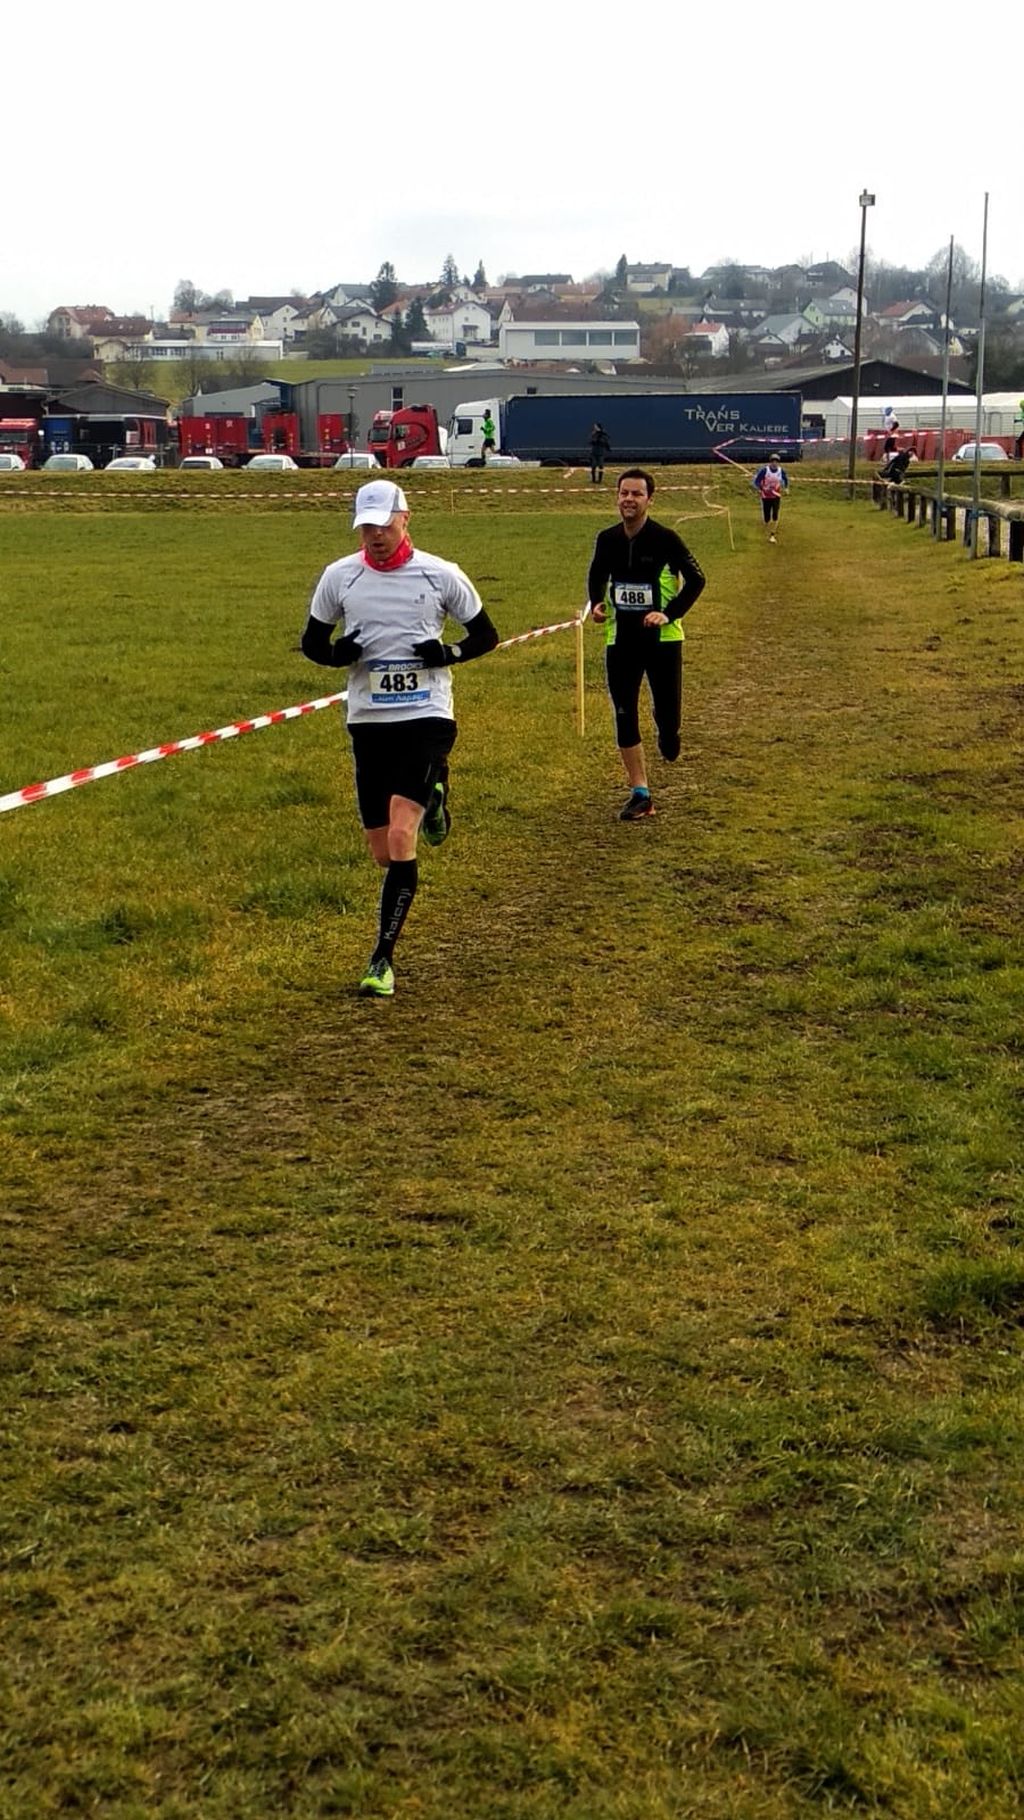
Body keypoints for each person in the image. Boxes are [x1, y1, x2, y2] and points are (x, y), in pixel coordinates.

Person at [301, 478, 499, 997]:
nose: (375, 537)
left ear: (405, 519)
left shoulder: (440, 573)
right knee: (383, 854)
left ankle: (381, 960)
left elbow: (486, 635)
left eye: (384, 526)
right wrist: (337, 655)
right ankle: (435, 797)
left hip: (426, 715)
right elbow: (312, 642)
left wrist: (449, 654)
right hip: (369, 720)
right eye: (366, 528)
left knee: (400, 837)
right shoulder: (339, 576)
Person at [587, 468, 706, 822]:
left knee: (667, 717)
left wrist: (668, 614)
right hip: (621, 639)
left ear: (650, 500)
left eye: (637, 494)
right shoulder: (607, 539)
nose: (629, 499)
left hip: (663, 641)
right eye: (624, 493)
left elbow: (697, 580)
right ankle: (641, 792)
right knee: (624, 712)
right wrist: (596, 602)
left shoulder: (666, 539)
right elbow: (596, 574)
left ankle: (668, 731)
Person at [752, 452, 789, 543]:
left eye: (776, 462)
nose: (774, 463)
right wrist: (760, 488)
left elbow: (785, 479)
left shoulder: (780, 471)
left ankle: (772, 534)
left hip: (776, 496)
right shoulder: (765, 470)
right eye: (773, 461)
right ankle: (767, 530)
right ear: (770, 462)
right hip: (766, 496)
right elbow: (757, 481)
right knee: (767, 517)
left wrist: (786, 488)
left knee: (775, 515)